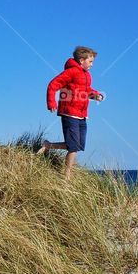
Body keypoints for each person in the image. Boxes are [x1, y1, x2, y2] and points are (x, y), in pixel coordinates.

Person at [38, 46, 105, 179]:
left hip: (82, 114)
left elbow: (86, 90)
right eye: (90, 61)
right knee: (73, 147)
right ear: (81, 60)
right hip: (69, 113)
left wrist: (95, 95)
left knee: (77, 145)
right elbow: (53, 85)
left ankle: (48, 145)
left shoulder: (87, 75)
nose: (92, 64)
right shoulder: (71, 72)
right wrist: (51, 102)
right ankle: (67, 176)